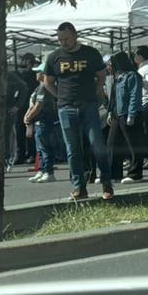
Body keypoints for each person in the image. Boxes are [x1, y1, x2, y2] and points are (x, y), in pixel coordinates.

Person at [44, 22, 112, 201]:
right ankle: (79, 186)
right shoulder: (54, 57)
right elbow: (47, 81)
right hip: (66, 107)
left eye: (66, 38)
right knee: (72, 149)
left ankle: (106, 182)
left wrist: (96, 91)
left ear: (75, 35)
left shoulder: (91, 53)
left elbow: (102, 76)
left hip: (88, 105)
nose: (63, 43)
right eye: (60, 40)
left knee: (97, 143)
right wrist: (60, 96)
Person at [109, 51, 145, 183]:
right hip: (117, 114)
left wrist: (132, 114)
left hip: (129, 113)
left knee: (134, 144)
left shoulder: (133, 76)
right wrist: (110, 112)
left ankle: (136, 173)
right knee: (112, 143)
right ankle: (114, 173)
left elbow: (134, 96)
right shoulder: (118, 77)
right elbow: (113, 98)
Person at [24, 67, 59, 183]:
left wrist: (29, 116)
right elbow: (32, 104)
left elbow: (39, 105)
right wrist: (27, 115)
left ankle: (48, 172)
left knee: (46, 147)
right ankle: (42, 170)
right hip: (39, 122)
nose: (36, 73)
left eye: (38, 71)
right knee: (40, 148)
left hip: (45, 120)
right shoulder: (38, 87)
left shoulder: (44, 87)